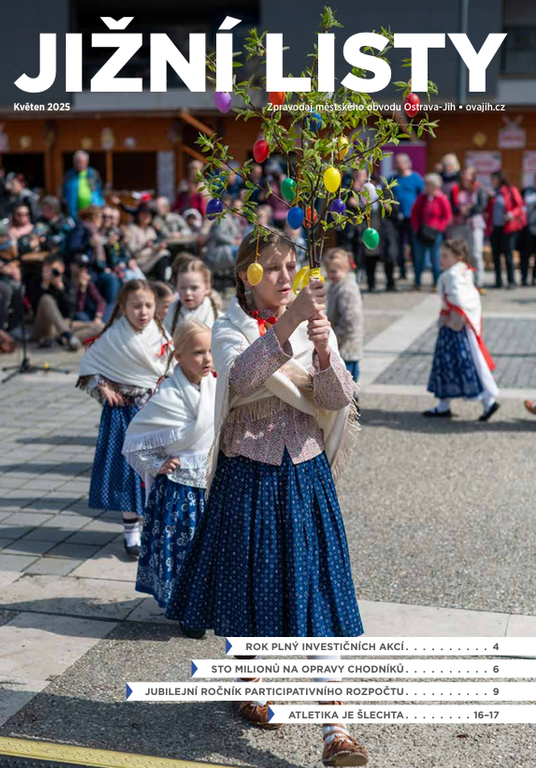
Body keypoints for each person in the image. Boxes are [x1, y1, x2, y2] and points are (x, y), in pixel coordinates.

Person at [167, 230, 367, 767]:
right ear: (244, 277)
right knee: (252, 589)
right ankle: (253, 677)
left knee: (316, 597)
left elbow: (335, 400)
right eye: (271, 268)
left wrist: (323, 352)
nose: (283, 277)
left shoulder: (305, 331)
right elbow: (241, 376)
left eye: (289, 266)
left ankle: (336, 728)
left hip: (304, 475)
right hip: (248, 475)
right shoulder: (229, 328)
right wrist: (288, 324)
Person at [122, 320, 216, 625]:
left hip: (212, 482)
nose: (207, 359)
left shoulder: (217, 388)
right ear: (179, 356)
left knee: (211, 549)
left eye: (211, 351)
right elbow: (133, 439)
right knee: (183, 551)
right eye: (198, 352)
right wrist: (155, 464)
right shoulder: (167, 397)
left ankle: (207, 603)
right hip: (179, 490)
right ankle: (187, 610)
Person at [77, 280, 171, 558]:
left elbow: (172, 367)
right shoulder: (114, 335)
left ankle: (153, 529)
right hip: (123, 413)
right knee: (129, 474)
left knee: (157, 474)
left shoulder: (161, 334)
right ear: (123, 307)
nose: (143, 312)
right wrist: (103, 386)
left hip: (155, 413)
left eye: (148, 306)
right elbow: (90, 364)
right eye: (136, 306)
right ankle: (131, 533)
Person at [424, 239, 499, 422]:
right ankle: (444, 404)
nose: (440, 259)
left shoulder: (453, 276)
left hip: (455, 331)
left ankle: (487, 401)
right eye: (440, 255)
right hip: (456, 329)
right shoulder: (461, 273)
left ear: (458, 257)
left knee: (467, 366)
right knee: (452, 366)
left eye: (445, 256)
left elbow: (459, 302)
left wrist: (453, 323)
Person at [324, 248, 363, 382]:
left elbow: (350, 320)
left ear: (346, 268)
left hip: (347, 346)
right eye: (329, 271)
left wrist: (334, 339)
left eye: (334, 271)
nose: (331, 275)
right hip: (341, 345)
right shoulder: (337, 285)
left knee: (346, 382)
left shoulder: (347, 289)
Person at [27, 254, 81, 350]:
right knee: (46, 298)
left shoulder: (67, 282)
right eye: (49, 270)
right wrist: (44, 285)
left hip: (63, 324)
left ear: (62, 268)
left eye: (54, 270)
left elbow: (71, 308)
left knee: (98, 327)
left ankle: (61, 339)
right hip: (45, 327)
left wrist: (61, 288)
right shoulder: (37, 281)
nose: (52, 273)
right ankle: (67, 336)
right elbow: (33, 307)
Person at [410, 173, 453, 290]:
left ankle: (436, 283)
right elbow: (414, 214)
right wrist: (416, 228)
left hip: (435, 234)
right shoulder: (422, 198)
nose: (427, 187)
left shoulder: (441, 199)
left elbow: (447, 216)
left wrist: (439, 228)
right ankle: (417, 282)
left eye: (429, 185)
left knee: (436, 259)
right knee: (419, 259)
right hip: (421, 232)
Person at [486, 171, 527, 289]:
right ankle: (498, 281)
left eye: (494, 179)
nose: (492, 181)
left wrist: (511, 214)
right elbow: (488, 210)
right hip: (495, 228)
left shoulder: (511, 190)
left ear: (500, 179)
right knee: (496, 256)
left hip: (508, 228)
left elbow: (520, 206)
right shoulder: (493, 193)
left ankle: (511, 281)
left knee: (508, 255)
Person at [449, 168, 488, 291]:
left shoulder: (479, 188)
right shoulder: (455, 189)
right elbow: (451, 205)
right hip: (459, 225)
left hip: (474, 224)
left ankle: (478, 282)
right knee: (459, 253)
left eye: (468, 175)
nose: (466, 177)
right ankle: (459, 281)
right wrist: (460, 210)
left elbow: (482, 205)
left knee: (475, 253)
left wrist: (469, 210)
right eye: (464, 174)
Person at [165, 258, 221, 337]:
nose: (188, 293)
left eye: (194, 288)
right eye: (182, 287)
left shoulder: (219, 319)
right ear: (176, 287)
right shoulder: (170, 313)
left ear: (207, 288)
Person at [390, 153, 424, 280]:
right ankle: (402, 271)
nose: (398, 165)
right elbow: (387, 194)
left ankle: (417, 274)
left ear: (407, 164)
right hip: (397, 218)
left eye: (401, 163)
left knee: (414, 246)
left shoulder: (416, 178)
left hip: (412, 218)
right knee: (398, 246)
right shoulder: (392, 179)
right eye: (397, 163)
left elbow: (422, 196)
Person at [125, 203, 171, 280]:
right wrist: (144, 245)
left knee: (164, 252)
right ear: (138, 215)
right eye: (144, 214)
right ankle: (162, 281)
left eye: (148, 214)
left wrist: (159, 247)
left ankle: (163, 279)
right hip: (140, 260)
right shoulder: (132, 229)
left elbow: (154, 245)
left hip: (152, 257)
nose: (146, 217)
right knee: (163, 254)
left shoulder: (150, 230)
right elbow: (131, 249)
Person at [62, 150, 105, 220]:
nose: (79, 164)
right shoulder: (69, 175)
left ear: (86, 162)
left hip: (91, 212)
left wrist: (99, 205)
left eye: (81, 162)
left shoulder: (93, 174)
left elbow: (99, 191)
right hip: (73, 211)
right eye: (77, 162)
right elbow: (63, 192)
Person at [519, 175, 536, 287]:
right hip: (526, 228)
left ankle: (534, 278)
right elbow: (520, 206)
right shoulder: (527, 191)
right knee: (525, 254)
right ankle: (524, 278)